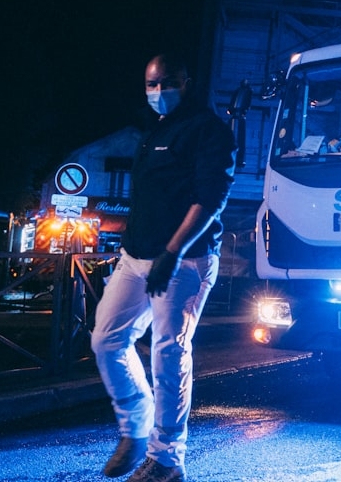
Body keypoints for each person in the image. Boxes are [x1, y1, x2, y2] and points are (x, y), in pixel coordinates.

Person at [92, 53, 237, 482]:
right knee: (106, 340)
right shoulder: (153, 130)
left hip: (184, 260)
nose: (157, 92)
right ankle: (135, 428)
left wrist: (171, 252)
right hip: (134, 257)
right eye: (150, 85)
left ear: (185, 82)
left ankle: (168, 458)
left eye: (165, 83)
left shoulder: (209, 131)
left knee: (169, 353)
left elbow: (210, 199)